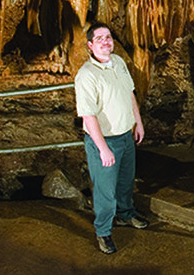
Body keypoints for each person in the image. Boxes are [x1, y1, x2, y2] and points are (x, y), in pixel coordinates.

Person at [74, 23, 149, 255]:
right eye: (100, 39)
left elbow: (129, 93)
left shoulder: (118, 62)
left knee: (126, 181)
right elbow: (88, 114)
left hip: (126, 136)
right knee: (106, 191)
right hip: (104, 141)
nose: (106, 41)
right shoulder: (86, 75)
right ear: (90, 45)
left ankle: (126, 214)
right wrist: (103, 148)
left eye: (108, 37)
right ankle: (104, 231)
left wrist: (137, 122)